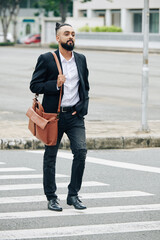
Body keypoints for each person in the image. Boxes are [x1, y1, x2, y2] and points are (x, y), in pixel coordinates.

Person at [30, 22, 90, 211]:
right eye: (66, 34)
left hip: (74, 116)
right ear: (58, 38)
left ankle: (73, 195)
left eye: (73, 34)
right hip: (52, 117)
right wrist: (54, 84)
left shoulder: (80, 59)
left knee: (80, 152)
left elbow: (85, 87)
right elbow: (34, 85)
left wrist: (81, 109)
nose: (70, 37)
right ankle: (51, 197)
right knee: (50, 157)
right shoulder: (47, 59)